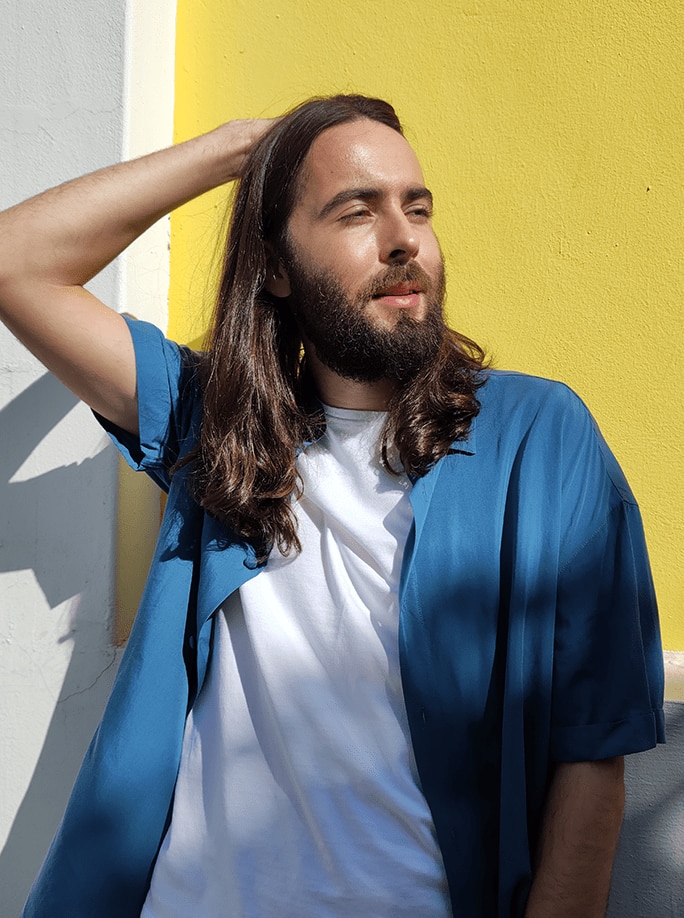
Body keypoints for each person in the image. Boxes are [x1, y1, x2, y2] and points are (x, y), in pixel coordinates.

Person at [0, 94, 664, 918]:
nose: (403, 239)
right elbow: (15, 264)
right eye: (357, 209)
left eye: (417, 208)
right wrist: (241, 151)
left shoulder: (538, 436)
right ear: (275, 266)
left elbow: (593, 753)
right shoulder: (217, 421)